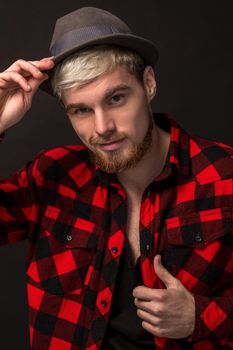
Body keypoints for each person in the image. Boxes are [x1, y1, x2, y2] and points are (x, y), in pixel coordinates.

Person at [0, 6, 232, 350]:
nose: (102, 127)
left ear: (148, 83)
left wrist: (201, 316)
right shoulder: (49, 176)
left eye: (116, 98)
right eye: (81, 109)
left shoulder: (224, 176)